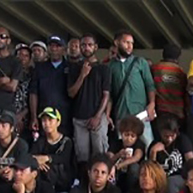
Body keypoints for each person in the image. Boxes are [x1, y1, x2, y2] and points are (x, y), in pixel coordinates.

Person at [67, 34, 110, 168]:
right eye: (83, 45)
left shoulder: (104, 69)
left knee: (100, 155)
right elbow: (71, 93)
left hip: (97, 116)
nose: (86, 48)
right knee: (82, 156)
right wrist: (83, 75)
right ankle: (83, 183)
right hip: (79, 117)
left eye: (90, 45)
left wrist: (98, 116)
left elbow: (106, 95)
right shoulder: (74, 68)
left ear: (95, 47)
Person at [108, 30, 156, 147]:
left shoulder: (141, 62)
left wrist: (152, 104)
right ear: (117, 42)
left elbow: (150, 85)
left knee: (147, 145)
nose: (130, 46)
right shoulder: (110, 66)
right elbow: (109, 93)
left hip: (141, 112)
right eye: (126, 42)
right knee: (123, 148)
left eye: (132, 43)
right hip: (121, 113)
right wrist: (107, 114)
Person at [29, 36, 71, 137]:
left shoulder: (70, 67)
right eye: (51, 46)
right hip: (44, 116)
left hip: (66, 116)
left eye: (58, 46)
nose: (54, 49)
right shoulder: (39, 68)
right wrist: (34, 116)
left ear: (64, 49)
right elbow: (33, 93)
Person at [31, 106, 76, 193]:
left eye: (50, 120)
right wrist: (37, 162)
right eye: (44, 120)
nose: (47, 123)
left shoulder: (66, 141)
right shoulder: (40, 141)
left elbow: (64, 158)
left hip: (63, 184)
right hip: (45, 184)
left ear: (58, 122)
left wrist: (47, 158)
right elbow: (30, 155)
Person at [148, 114, 193, 193]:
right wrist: (153, 152)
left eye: (172, 136)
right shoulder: (154, 144)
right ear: (160, 132)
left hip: (180, 177)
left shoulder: (183, 140)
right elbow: (151, 170)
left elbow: (191, 162)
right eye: (166, 136)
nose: (169, 139)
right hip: (160, 179)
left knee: (171, 183)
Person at [151, 43, 187, 124]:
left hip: (160, 110)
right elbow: (185, 93)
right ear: (178, 57)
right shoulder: (181, 72)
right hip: (177, 111)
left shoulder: (155, 68)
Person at [108, 116, 145, 193]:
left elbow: (136, 157)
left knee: (134, 167)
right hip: (117, 175)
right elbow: (109, 158)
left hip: (132, 177)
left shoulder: (139, 144)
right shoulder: (116, 143)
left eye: (132, 136)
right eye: (126, 134)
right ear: (121, 134)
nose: (129, 138)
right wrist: (118, 155)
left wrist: (118, 166)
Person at [13, 43, 33, 136]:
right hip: (9, 114)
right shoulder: (8, 73)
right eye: (20, 54)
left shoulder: (33, 75)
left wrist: (21, 115)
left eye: (26, 56)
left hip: (27, 116)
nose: (22, 58)